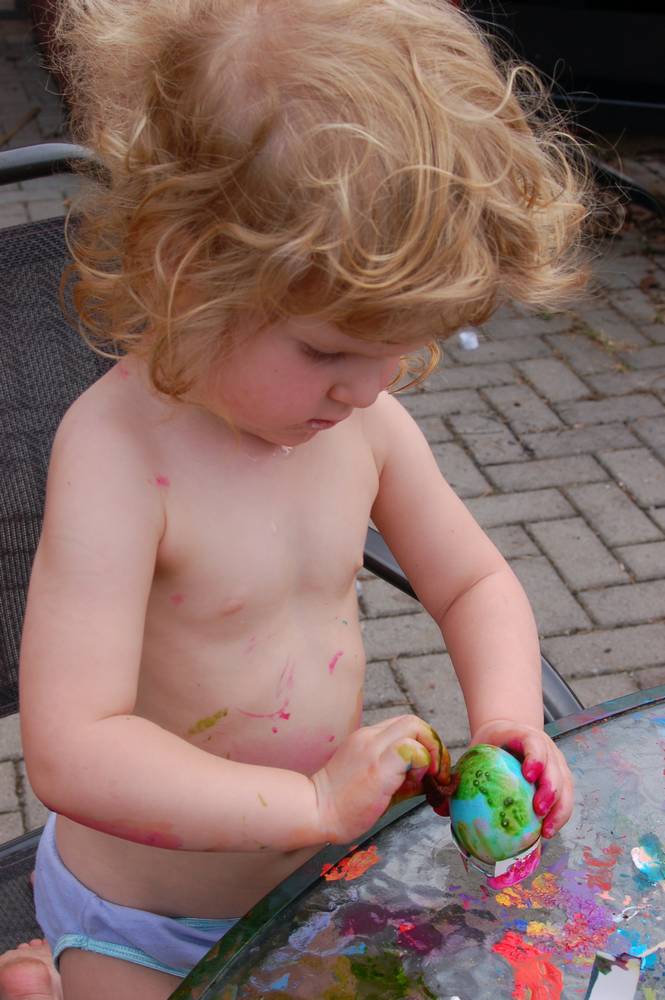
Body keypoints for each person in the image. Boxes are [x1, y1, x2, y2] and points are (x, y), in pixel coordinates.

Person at [1, 0, 591, 997]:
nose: (366, 388)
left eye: (394, 350)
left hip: (313, 892)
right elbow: (71, 749)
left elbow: (472, 582)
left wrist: (504, 723)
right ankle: (52, 974)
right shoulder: (116, 456)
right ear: (191, 269)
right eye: (326, 351)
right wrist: (311, 800)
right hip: (142, 922)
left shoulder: (362, 423)